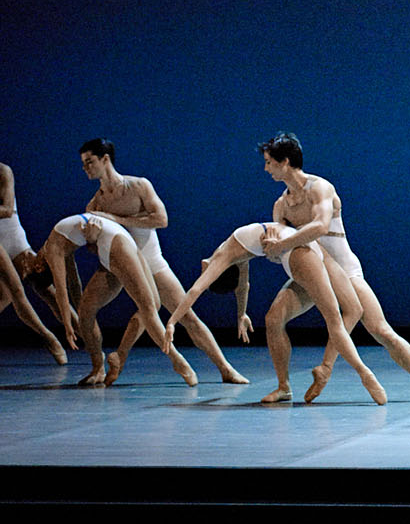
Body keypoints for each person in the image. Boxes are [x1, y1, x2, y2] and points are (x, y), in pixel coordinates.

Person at [252, 134, 410, 403]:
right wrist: (273, 248)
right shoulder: (280, 205)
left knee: (380, 328)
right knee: (273, 319)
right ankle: (284, 386)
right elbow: (281, 251)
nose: (266, 168)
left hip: (345, 269)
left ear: (285, 162)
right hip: (312, 273)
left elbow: (319, 225)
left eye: (269, 162)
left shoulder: (320, 188)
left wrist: (283, 240)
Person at [78, 139, 247, 386]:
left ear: (105, 159)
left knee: (184, 315)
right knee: (86, 310)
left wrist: (114, 218)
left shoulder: (138, 186)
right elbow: (94, 246)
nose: (86, 168)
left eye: (90, 162)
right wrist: (91, 239)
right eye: (83, 164)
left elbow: (161, 219)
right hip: (116, 268)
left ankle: (225, 368)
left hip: (151, 261)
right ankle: (98, 367)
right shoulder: (95, 204)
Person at [160, 222, 389, 403]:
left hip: (300, 253)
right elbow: (243, 285)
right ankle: (284, 387)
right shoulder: (233, 249)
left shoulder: (223, 257)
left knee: (334, 319)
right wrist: (241, 314)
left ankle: (364, 373)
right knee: (273, 320)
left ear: (209, 268)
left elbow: (196, 289)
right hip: (306, 252)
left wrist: (172, 321)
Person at [37, 212, 182, 380]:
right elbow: (69, 286)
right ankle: (100, 367)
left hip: (115, 243)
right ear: (42, 267)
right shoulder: (54, 249)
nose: (35, 258)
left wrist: (68, 326)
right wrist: (75, 319)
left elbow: (64, 290)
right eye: (36, 264)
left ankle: (177, 360)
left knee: (149, 307)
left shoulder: (55, 245)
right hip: (117, 241)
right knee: (90, 310)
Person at [0, 161, 68, 363]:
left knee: (47, 291)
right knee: (15, 292)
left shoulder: (3, 171)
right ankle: (50, 338)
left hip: (13, 238)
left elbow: (7, 209)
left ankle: (86, 336)